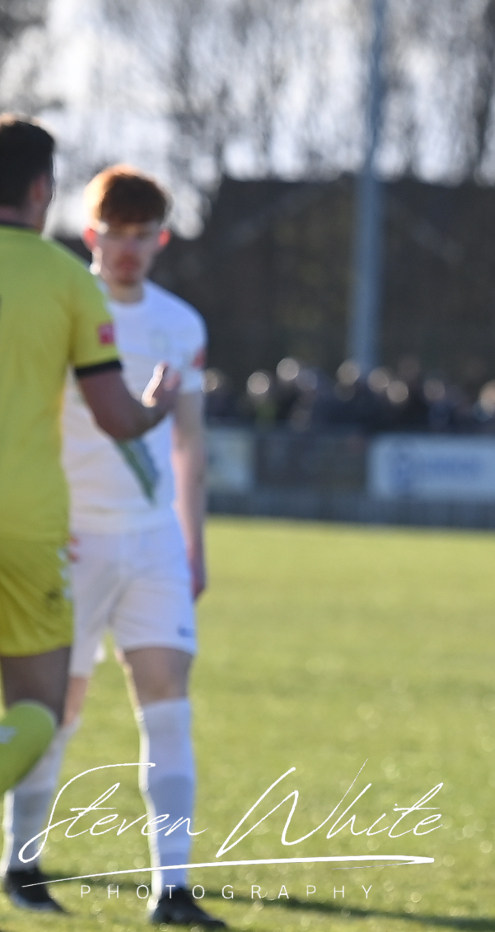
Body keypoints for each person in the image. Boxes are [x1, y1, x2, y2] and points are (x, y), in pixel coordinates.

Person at [1, 164, 223, 927]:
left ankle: (174, 888)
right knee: (55, 707)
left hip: (152, 540)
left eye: (142, 235)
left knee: (168, 701)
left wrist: (193, 546)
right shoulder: (67, 298)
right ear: (89, 233)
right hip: (70, 537)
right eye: (115, 234)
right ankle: (22, 864)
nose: (128, 249)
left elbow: (189, 445)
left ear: (162, 240)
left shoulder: (181, 324)